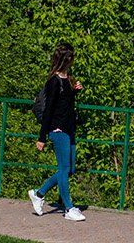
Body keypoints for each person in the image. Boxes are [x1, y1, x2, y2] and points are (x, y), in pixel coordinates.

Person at [28, 43, 85, 221]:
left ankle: (39, 193)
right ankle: (69, 208)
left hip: (69, 128)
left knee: (69, 169)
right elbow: (49, 111)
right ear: (67, 59)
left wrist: (74, 92)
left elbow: (64, 104)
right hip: (58, 129)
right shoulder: (53, 81)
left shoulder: (67, 79)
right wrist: (42, 137)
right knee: (63, 168)